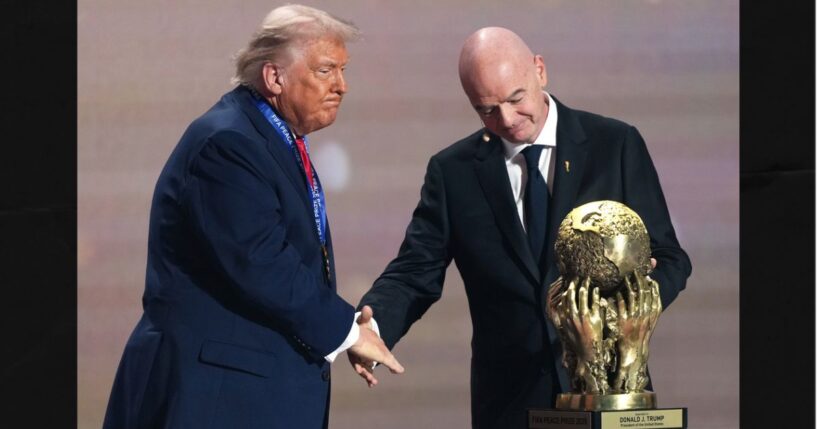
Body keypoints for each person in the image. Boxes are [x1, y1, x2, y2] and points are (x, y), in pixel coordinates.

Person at [353, 27, 691, 428]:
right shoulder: (453, 173)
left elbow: (668, 257)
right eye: (487, 110)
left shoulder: (614, 145)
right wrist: (372, 327)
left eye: (516, 99)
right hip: (511, 404)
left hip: (612, 395)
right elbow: (415, 271)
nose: (508, 120)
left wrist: (619, 315)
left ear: (540, 71)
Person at [103, 5, 403, 429]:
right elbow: (263, 262)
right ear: (274, 77)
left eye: (343, 70)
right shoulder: (228, 144)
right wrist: (348, 332)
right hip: (215, 399)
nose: (342, 86)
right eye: (325, 71)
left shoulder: (268, 139)